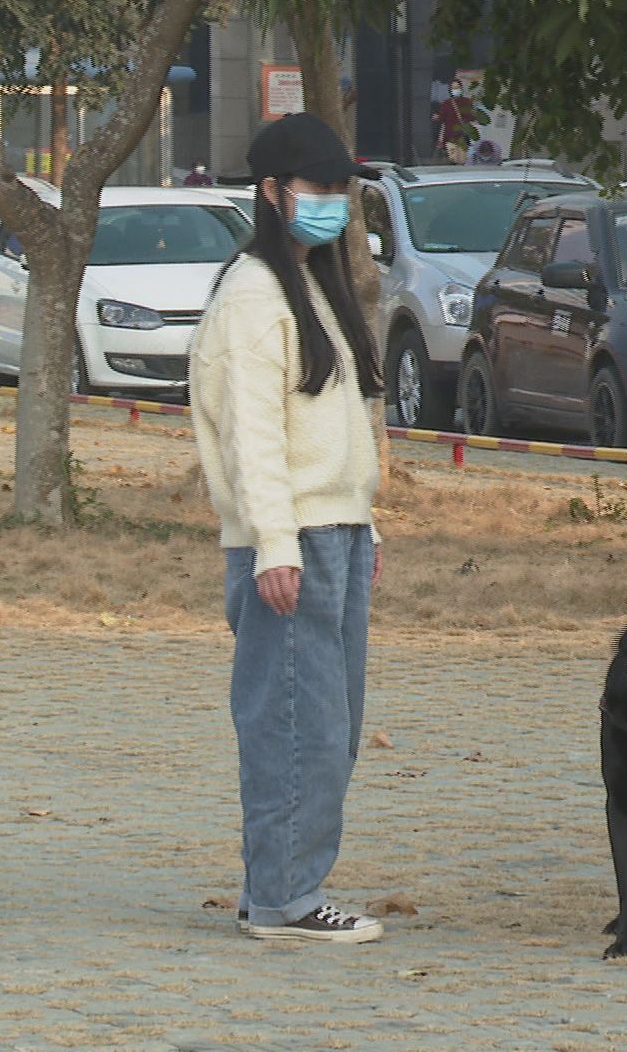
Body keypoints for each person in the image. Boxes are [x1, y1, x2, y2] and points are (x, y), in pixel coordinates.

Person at [189, 112, 389, 943]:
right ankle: (284, 899)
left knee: (328, 728)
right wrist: (273, 541)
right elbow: (252, 438)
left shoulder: (314, 285)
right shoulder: (251, 295)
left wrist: (364, 526)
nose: (331, 204)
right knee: (293, 727)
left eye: (341, 190)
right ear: (271, 193)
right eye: (316, 189)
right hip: (291, 542)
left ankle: (276, 884)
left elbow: (334, 425)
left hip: (334, 531)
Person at [433, 79, 476, 164]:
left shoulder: (448, 103)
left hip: (457, 136)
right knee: (459, 161)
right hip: (453, 137)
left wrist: (436, 117)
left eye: (457, 87)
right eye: (454, 88)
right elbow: (472, 117)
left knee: (456, 161)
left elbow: (441, 118)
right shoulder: (448, 103)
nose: (456, 90)